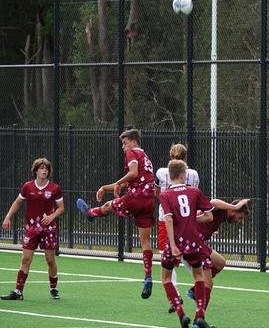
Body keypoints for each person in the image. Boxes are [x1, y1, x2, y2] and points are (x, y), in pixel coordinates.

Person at [76, 128, 156, 299]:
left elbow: (132, 174)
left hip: (135, 199)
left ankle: (91, 213)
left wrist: (119, 183)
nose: (123, 146)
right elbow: (135, 180)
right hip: (148, 202)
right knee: (145, 241)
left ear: (133, 141)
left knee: (108, 206)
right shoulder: (146, 158)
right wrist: (106, 187)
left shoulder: (132, 153)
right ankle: (148, 276)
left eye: (124, 142)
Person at [158, 159, 215, 328]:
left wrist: (173, 245)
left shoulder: (165, 195)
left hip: (176, 241)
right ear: (183, 175)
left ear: (170, 175)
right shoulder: (194, 191)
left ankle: (181, 313)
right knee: (199, 276)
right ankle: (200, 314)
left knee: (166, 279)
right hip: (193, 242)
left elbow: (168, 219)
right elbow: (209, 217)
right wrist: (192, 219)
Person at [1, 158, 64, 300]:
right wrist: (8, 217)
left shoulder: (55, 188)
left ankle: (53, 288)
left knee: (50, 260)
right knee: (26, 259)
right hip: (31, 229)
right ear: (36, 171)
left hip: (48, 229)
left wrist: (52, 216)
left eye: (46, 168)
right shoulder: (28, 187)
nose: (44, 170)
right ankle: (18, 292)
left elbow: (61, 208)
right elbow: (17, 202)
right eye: (42, 168)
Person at [185, 197, 250, 327]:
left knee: (220, 262)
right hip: (192, 242)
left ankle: (194, 291)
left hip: (198, 242)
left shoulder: (221, 216)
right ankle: (198, 319)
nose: (238, 221)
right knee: (208, 282)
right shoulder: (222, 210)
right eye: (240, 217)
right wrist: (235, 206)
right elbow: (213, 202)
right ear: (233, 211)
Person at [154, 143, 200, 313]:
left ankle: (175, 297)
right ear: (186, 157)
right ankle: (199, 284)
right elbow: (195, 195)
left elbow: (157, 192)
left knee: (166, 263)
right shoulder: (193, 174)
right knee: (191, 258)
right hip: (187, 221)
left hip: (165, 219)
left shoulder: (160, 172)